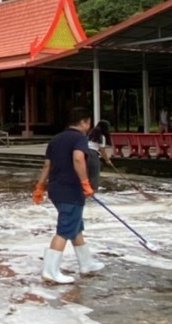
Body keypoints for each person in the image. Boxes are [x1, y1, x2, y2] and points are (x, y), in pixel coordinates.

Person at [32, 107, 100, 284]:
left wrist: (40, 186)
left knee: (75, 227)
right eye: (88, 122)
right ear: (84, 122)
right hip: (71, 189)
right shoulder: (79, 138)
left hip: (55, 189)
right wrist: (85, 183)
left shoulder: (55, 139)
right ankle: (50, 271)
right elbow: (78, 159)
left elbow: (47, 165)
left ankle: (86, 264)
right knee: (64, 230)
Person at [87, 119, 112, 190]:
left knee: (87, 173)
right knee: (94, 174)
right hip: (92, 155)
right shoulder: (102, 137)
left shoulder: (90, 134)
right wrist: (107, 160)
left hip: (84, 152)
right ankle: (93, 190)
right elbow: (102, 150)